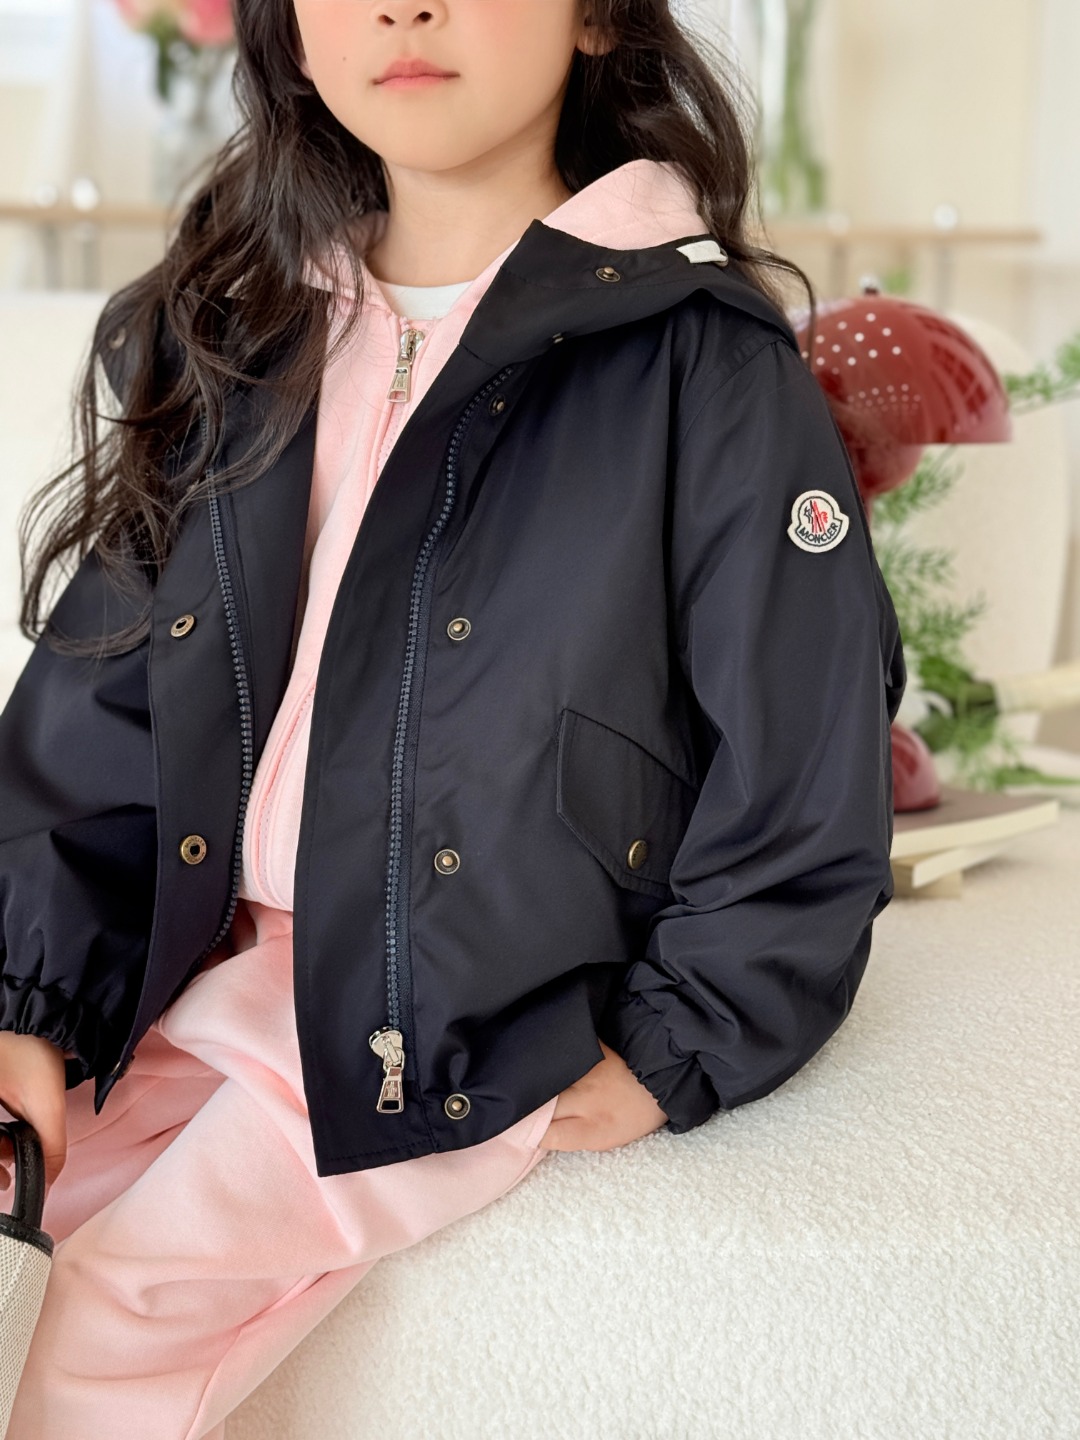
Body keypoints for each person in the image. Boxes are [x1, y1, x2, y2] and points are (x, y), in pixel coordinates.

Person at [0, 0, 906, 1435]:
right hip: (210, 948)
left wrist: (685, 1036)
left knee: (128, 1300)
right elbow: (106, 698)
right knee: (35, 1213)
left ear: (597, 17)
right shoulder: (240, 329)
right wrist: (31, 997)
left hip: (461, 988)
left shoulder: (700, 359)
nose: (403, 7)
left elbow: (804, 746)